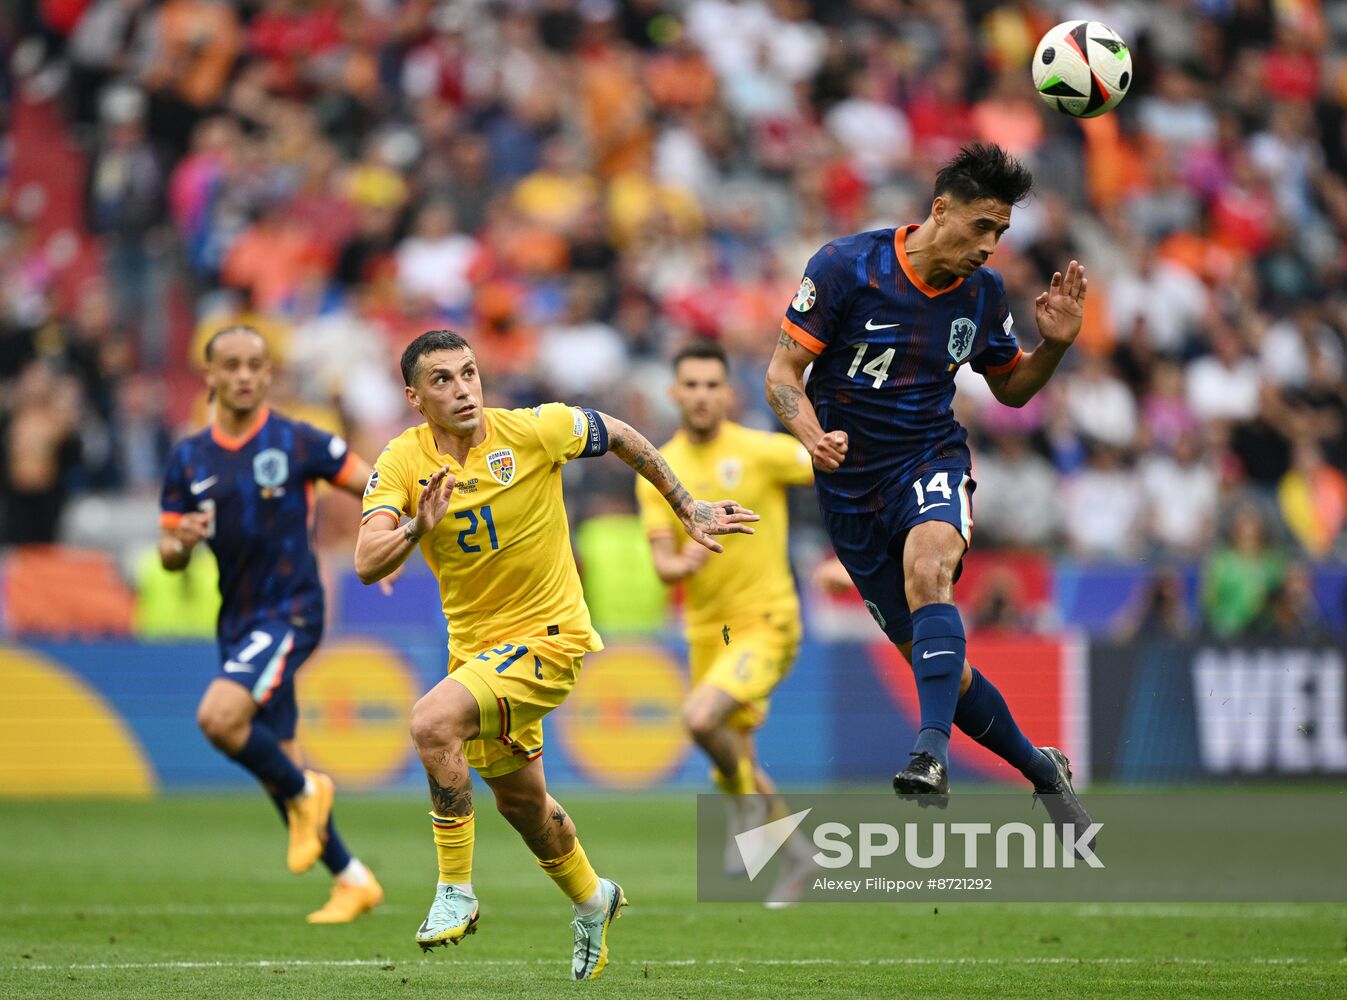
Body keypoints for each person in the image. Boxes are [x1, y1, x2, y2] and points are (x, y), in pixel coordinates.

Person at [354, 329, 757, 980]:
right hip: (477, 655)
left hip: (551, 636)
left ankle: (455, 889)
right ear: (413, 396)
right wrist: (413, 527)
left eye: (469, 373)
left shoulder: (535, 430)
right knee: (523, 806)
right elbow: (367, 561)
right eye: (442, 380)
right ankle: (594, 899)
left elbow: (621, 433)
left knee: (431, 724)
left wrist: (685, 505)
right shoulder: (402, 461)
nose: (462, 390)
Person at [763, 142, 1092, 844]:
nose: (989, 246)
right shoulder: (846, 266)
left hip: (928, 457)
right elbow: (782, 375)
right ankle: (1041, 771)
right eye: (981, 227)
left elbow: (1008, 389)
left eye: (1000, 233)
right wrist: (812, 436)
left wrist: (1054, 348)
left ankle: (927, 754)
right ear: (939, 210)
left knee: (929, 569)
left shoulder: (983, 295)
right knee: (940, 665)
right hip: (848, 489)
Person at [158, 325, 384, 922]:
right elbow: (168, 551)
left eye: (254, 364)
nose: (242, 375)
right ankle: (352, 878)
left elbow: (377, 486)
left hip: (292, 610)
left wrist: (388, 541)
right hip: (237, 619)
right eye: (229, 364)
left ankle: (310, 790)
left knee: (218, 717)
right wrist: (178, 544)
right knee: (277, 760)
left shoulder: (299, 440)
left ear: (267, 374)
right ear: (209, 376)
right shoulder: (188, 458)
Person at [635, 339, 815, 902]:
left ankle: (744, 815)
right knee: (734, 754)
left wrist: (847, 559)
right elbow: (662, 563)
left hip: (766, 620)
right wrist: (679, 561)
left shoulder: (764, 451)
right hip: (708, 633)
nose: (702, 395)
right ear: (674, 393)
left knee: (698, 717)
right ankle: (797, 857)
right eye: (691, 385)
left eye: (712, 385)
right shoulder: (657, 472)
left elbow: (838, 474)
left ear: (729, 392)